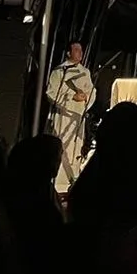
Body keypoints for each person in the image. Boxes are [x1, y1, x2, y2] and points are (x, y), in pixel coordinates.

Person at [46, 40, 94, 191]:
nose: (80, 53)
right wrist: (72, 96)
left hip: (77, 116)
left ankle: (71, 183)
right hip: (63, 116)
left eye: (81, 50)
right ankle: (57, 184)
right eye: (76, 49)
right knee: (62, 147)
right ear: (68, 53)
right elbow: (51, 93)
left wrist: (85, 97)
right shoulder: (59, 71)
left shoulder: (85, 72)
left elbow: (92, 91)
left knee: (75, 148)